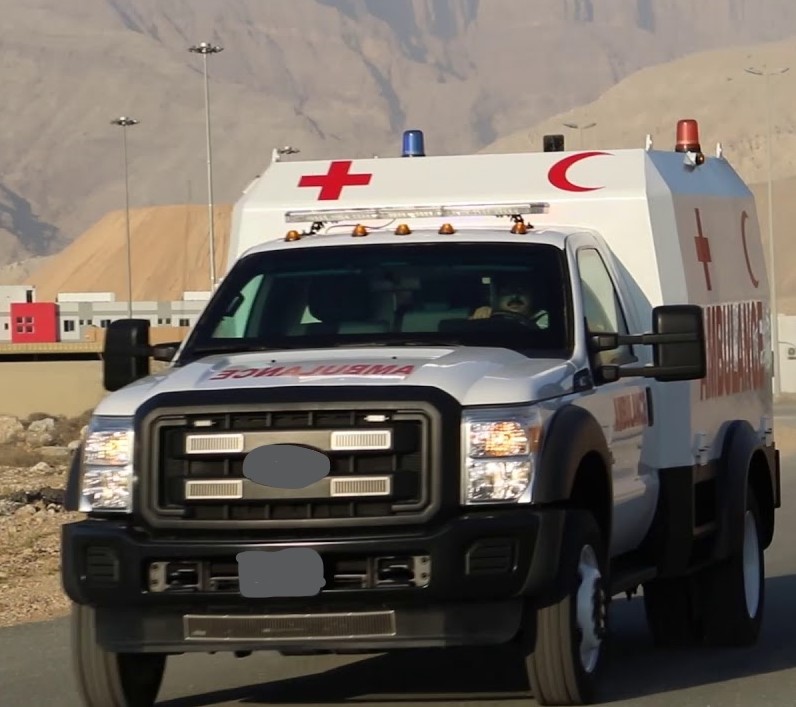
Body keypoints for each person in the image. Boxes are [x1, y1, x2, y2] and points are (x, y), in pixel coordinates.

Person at [470, 275, 548, 328]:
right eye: (506, 292)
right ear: (495, 298)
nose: (514, 296)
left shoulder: (546, 319)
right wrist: (479, 322)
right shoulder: (487, 317)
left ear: (532, 296)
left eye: (521, 291)